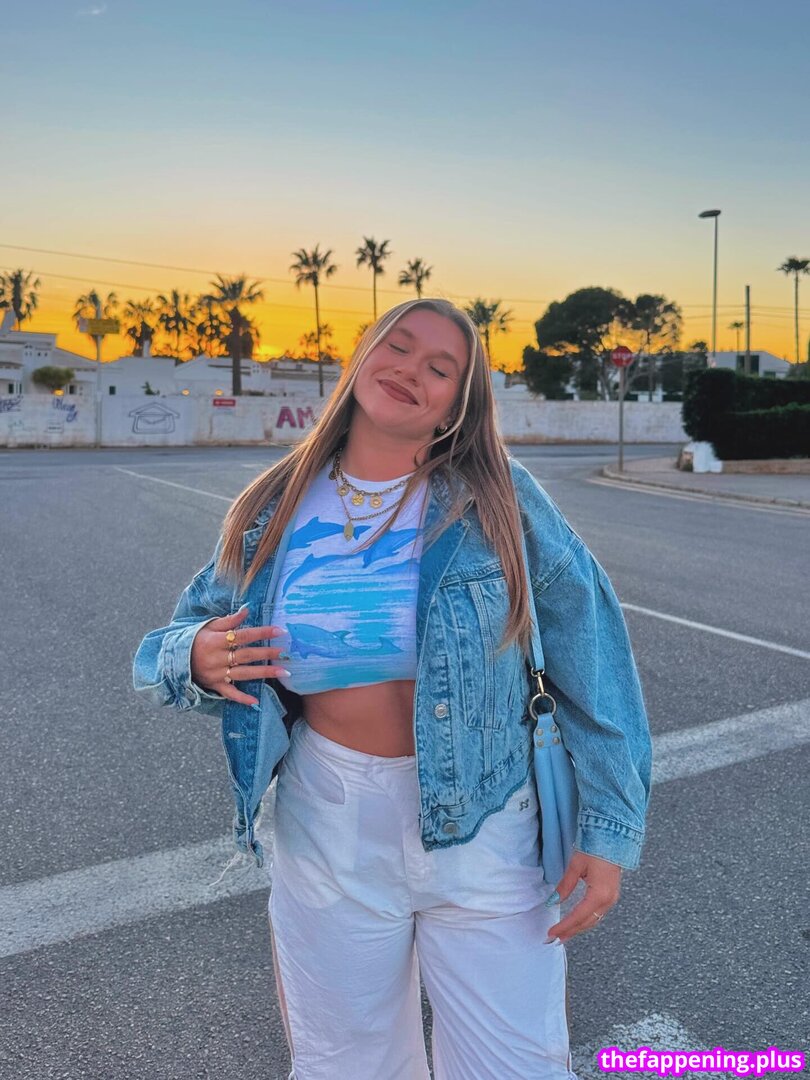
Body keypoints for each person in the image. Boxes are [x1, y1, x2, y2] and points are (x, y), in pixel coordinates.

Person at [133, 297, 652, 1080]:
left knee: (516, 1066)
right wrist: (198, 656)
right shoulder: (273, 507)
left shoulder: (499, 499)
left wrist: (608, 829)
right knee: (347, 1064)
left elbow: (593, 651)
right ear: (361, 356)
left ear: (458, 405)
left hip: (488, 824)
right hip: (327, 822)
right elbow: (177, 643)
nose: (412, 371)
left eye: (441, 368)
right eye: (398, 346)